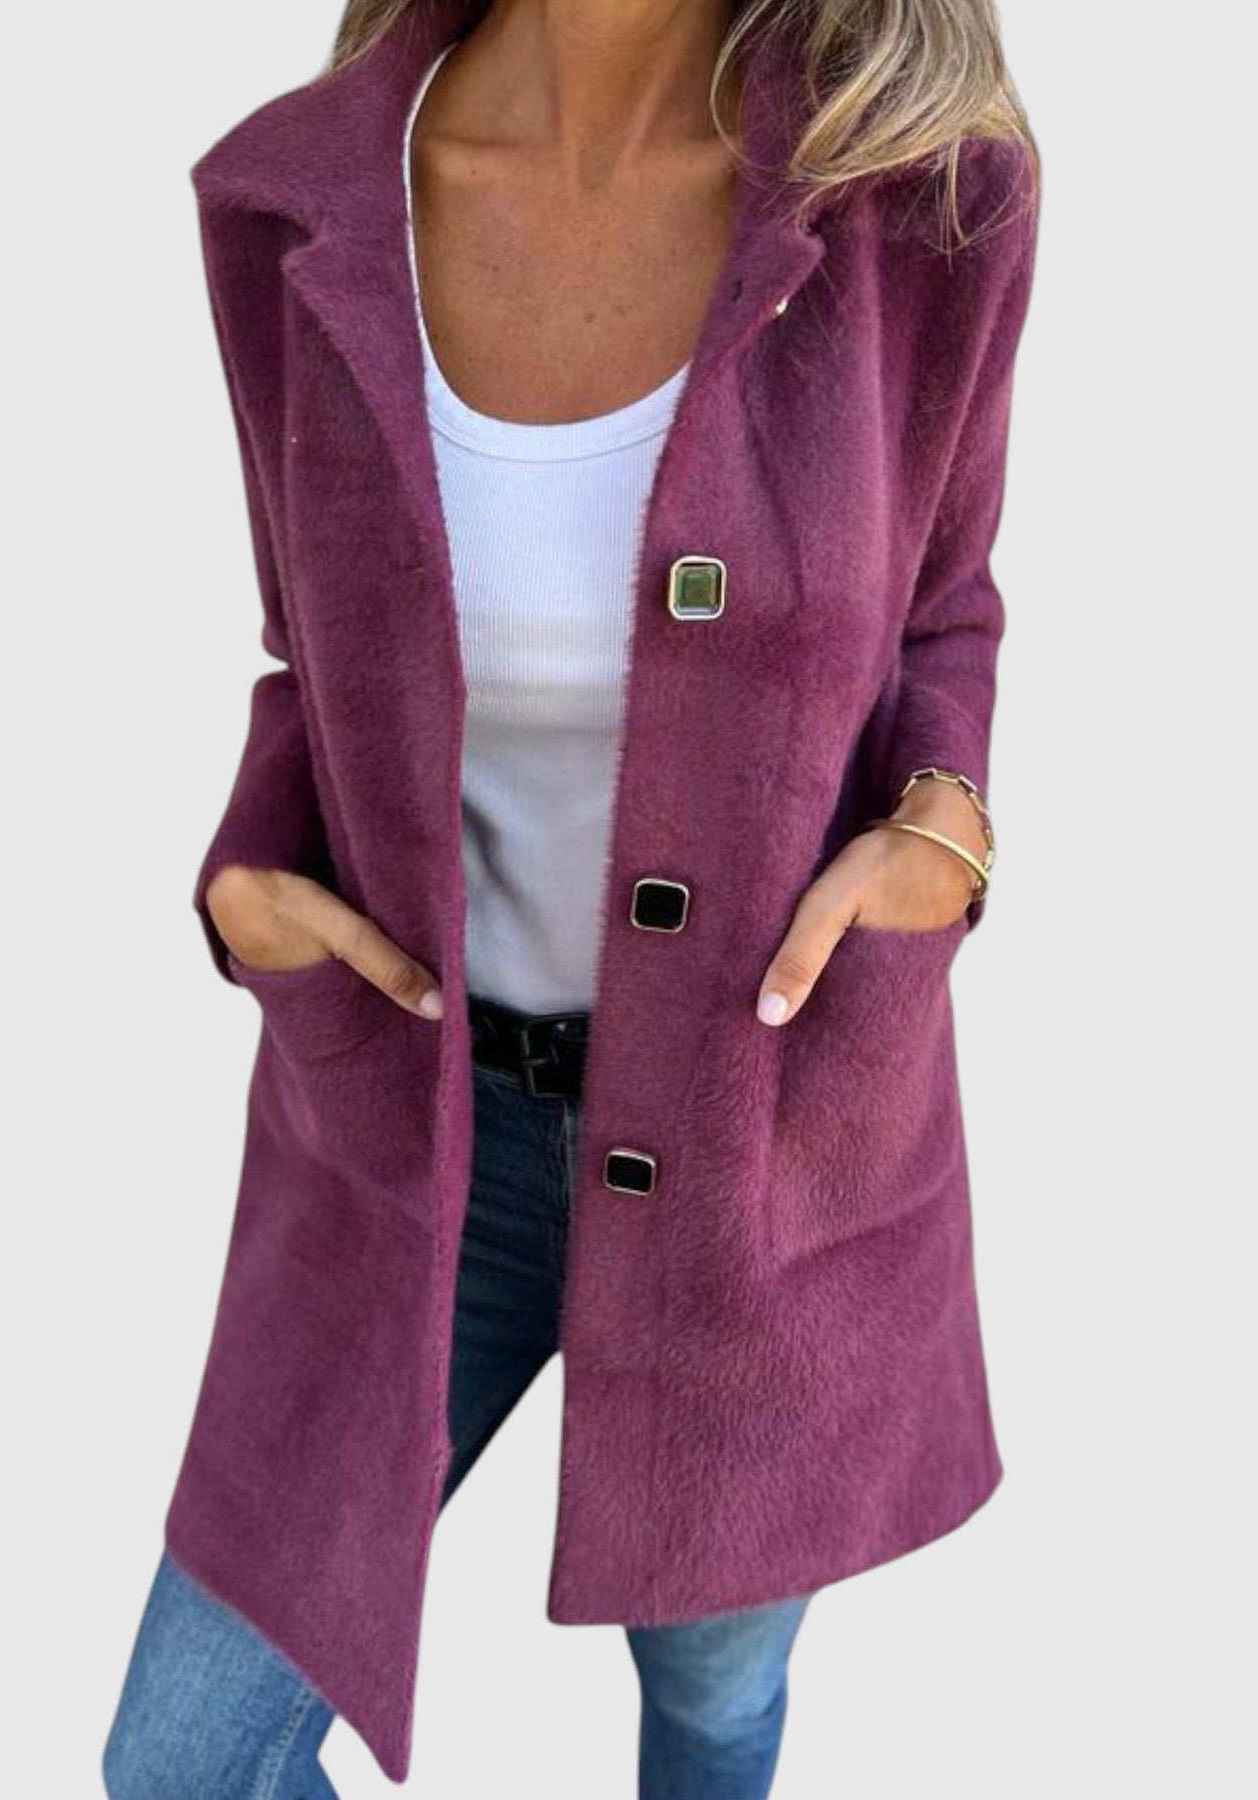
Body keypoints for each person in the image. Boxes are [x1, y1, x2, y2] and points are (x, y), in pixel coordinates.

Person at [105, 0, 1039, 1793]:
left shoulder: (924, 199)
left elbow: (945, 606)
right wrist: (246, 882)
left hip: (762, 1153)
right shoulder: (293, 203)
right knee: (184, 1764)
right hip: (409, 1133)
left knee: (712, 1702)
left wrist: (947, 826)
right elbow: (308, 649)